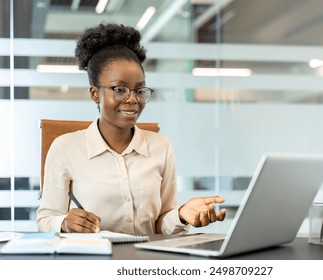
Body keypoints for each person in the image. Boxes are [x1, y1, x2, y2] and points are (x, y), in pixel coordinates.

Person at [36, 23, 226, 234]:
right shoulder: (65, 147)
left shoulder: (161, 146)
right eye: (119, 89)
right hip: (94, 261)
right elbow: (45, 220)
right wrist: (64, 223)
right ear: (94, 93)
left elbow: (162, 223)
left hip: (146, 260)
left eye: (139, 90)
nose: (132, 99)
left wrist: (181, 215)